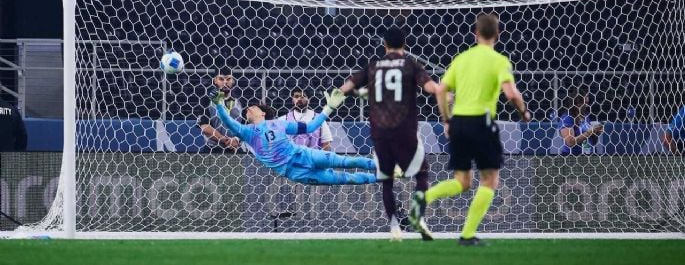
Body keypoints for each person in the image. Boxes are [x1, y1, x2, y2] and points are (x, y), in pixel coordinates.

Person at [410, 14, 531, 246]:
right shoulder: (499, 60)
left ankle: (424, 198)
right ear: (497, 34)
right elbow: (512, 93)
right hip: (482, 123)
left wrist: (447, 120)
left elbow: (441, 90)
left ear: (475, 34)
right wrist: (523, 113)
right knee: (489, 180)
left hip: (459, 123)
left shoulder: (461, 59)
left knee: (462, 181)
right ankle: (466, 235)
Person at [339, 26, 439, 241]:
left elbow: (346, 87)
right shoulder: (411, 64)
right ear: (405, 44)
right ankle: (418, 216)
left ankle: (394, 226)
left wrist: (355, 93)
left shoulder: (374, 66)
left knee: (386, 180)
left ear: (384, 44)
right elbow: (430, 87)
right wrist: (444, 93)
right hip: (405, 129)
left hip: (380, 131)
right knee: (421, 174)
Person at [210, 87, 377, 185]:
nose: (248, 109)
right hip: (294, 172)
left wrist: (329, 108)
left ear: (262, 113)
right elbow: (228, 120)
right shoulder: (246, 132)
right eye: (247, 108)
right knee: (345, 179)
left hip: (304, 155)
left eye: (252, 107)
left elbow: (311, 126)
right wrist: (218, 103)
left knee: (347, 161)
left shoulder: (279, 124)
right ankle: (383, 177)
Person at [197, 72, 242, 153]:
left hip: (236, 148)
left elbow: (248, 125)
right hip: (213, 149)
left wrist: (236, 139)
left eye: (228, 79)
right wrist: (225, 140)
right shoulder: (206, 100)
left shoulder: (241, 100)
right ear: (215, 81)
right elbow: (205, 128)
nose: (225, 82)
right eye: (221, 79)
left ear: (233, 81)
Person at [558, 90, 603, 155]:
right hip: (573, 156)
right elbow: (570, 142)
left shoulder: (586, 116)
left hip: (590, 154)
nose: (588, 106)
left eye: (588, 103)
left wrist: (596, 133)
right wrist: (590, 132)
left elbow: (592, 142)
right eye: (586, 103)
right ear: (578, 103)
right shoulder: (567, 118)